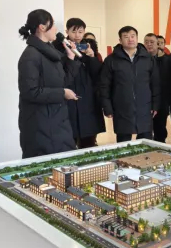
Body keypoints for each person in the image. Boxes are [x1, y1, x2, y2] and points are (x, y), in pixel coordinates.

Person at [18, 9, 80, 159]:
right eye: (53, 25)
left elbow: (63, 82)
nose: (56, 30)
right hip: (40, 125)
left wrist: (71, 59)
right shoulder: (30, 56)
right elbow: (30, 92)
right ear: (42, 27)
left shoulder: (50, 53)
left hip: (57, 121)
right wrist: (62, 93)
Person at [99, 26, 160, 143]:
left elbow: (155, 84)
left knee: (145, 142)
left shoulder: (148, 59)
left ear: (137, 38)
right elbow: (104, 85)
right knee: (123, 143)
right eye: (126, 37)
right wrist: (107, 107)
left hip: (145, 107)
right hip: (121, 108)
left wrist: (155, 104)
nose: (130, 39)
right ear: (120, 40)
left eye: (133, 36)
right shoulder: (111, 60)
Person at [53, 18, 105, 149]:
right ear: (67, 31)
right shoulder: (58, 47)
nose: (77, 35)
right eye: (74, 31)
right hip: (68, 96)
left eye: (80, 32)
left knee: (89, 142)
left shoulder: (89, 47)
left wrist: (91, 56)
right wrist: (69, 55)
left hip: (88, 98)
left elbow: (98, 74)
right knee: (68, 141)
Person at [144, 33, 169, 143]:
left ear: (157, 44)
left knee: (160, 130)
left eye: (152, 42)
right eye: (146, 42)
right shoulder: (140, 59)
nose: (149, 44)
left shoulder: (167, 60)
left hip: (162, 101)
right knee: (144, 131)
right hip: (144, 101)